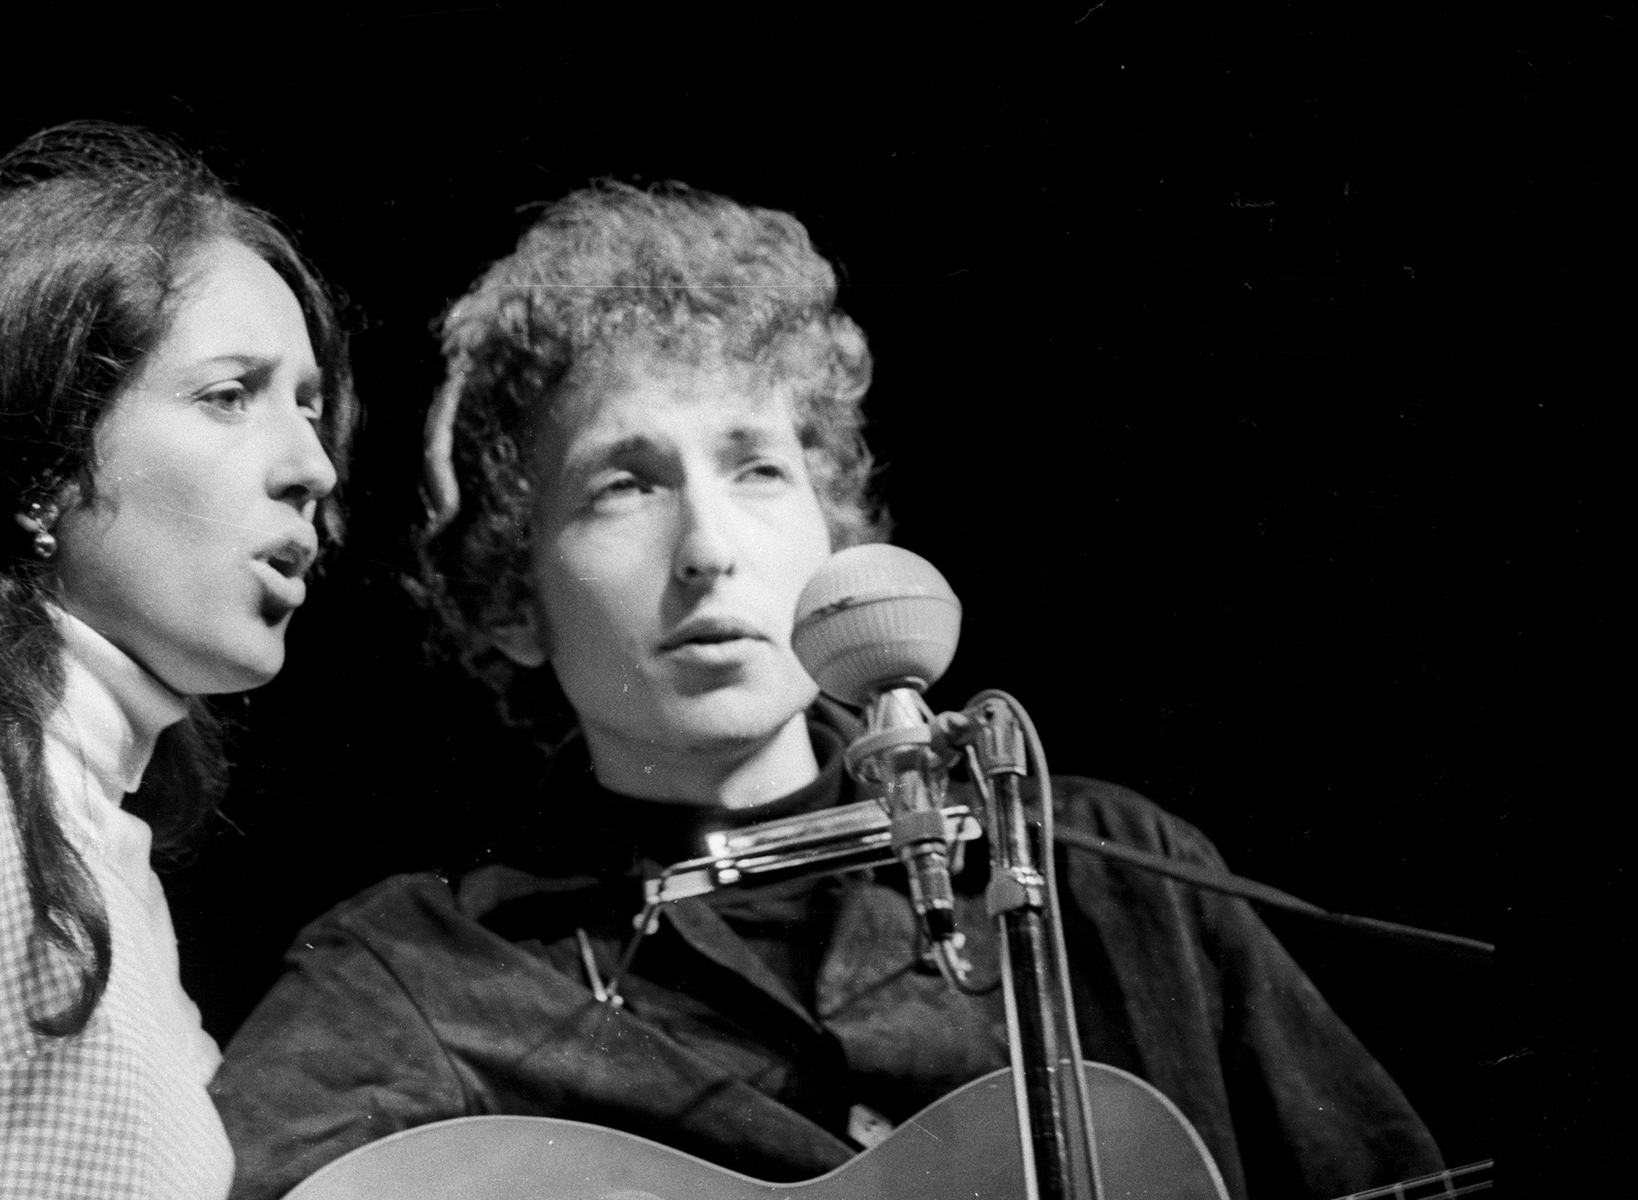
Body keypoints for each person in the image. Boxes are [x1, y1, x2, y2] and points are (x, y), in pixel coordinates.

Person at [211, 183, 1441, 1199]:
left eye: (756, 470)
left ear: (832, 534)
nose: (709, 549)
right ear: (511, 601)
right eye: (625, 486)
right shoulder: (422, 973)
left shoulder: (1110, 878)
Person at [0, 122, 355, 1199]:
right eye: (231, 395)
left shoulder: (101, 849)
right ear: (43, 456)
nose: (312, 466)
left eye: (310, 407)